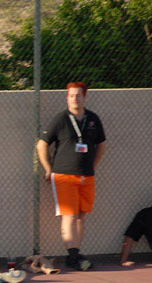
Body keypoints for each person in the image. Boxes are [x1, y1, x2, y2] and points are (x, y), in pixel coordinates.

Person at [37, 81, 106, 271]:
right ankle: (73, 255)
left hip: (87, 176)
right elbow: (42, 144)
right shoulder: (60, 119)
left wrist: (92, 166)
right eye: (71, 95)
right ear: (67, 98)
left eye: (78, 95)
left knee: (81, 215)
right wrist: (48, 168)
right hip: (64, 175)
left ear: (84, 97)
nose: (75, 99)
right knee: (69, 214)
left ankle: (75, 253)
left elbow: (101, 145)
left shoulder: (93, 119)